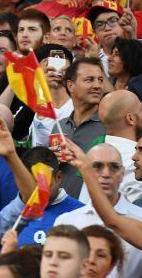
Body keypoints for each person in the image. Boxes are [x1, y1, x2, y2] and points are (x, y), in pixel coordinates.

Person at [54, 144, 142, 277]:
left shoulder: (140, 218)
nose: (106, 174)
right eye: (97, 166)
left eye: (114, 167)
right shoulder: (66, 221)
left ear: (122, 173)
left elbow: (112, 220)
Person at [53, 57, 107, 197]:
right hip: (59, 206)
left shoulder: (109, 126)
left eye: (100, 80)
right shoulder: (60, 126)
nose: (97, 85)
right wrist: (51, 159)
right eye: (89, 80)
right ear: (70, 85)